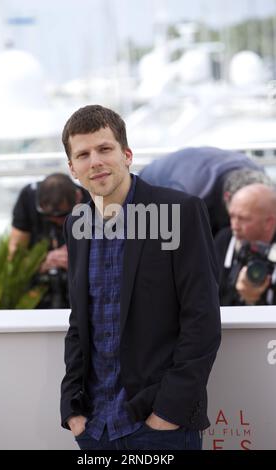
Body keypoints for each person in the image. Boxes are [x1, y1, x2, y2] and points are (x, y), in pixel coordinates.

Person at [60, 104, 221, 450]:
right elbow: (79, 322)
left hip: (159, 425)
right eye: (83, 154)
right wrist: (72, 410)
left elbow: (202, 318)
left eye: (105, 149)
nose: (96, 162)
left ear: (127, 154)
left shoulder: (179, 212)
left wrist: (168, 412)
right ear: (73, 168)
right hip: (94, 428)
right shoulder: (76, 225)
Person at [139, 147, 268, 236]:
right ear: (228, 198)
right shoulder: (190, 193)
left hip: (205, 169)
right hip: (154, 182)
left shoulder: (261, 181)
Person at [9, 172, 89, 308]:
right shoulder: (28, 197)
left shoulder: (92, 200)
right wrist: (40, 263)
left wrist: (78, 262)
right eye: (49, 217)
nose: (58, 222)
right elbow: (14, 257)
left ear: (78, 197)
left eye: (63, 216)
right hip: (37, 288)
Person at [214, 183, 276, 306]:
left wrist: (254, 300)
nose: (234, 226)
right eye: (232, 216)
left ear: (269, 222)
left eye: (243, 219)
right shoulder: (224, 240)